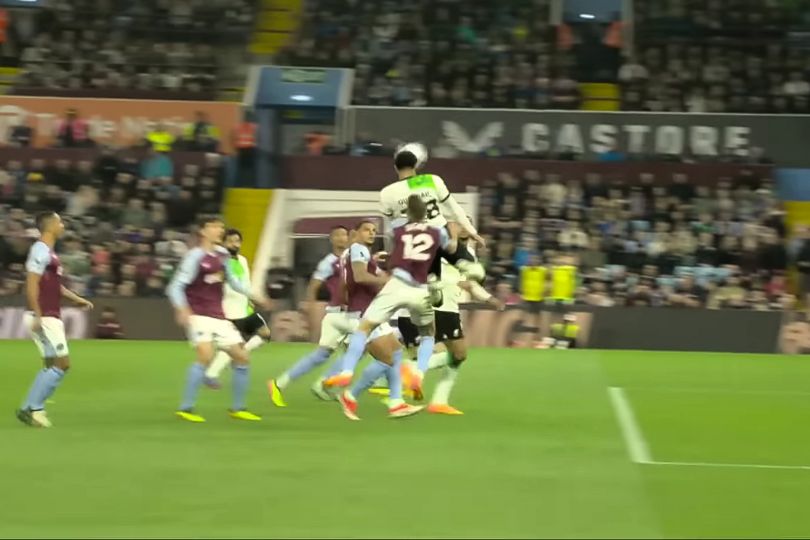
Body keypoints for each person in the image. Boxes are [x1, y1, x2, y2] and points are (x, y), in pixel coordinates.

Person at [325, 195, 456, 399]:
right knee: (428, 334)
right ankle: (418, 374)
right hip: (420, 288)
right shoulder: (436, 231)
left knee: (365, 329)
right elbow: (450, 249)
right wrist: (452, 233)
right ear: (427, 214)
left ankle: (347, 372)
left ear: (408, 214)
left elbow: (396, 257)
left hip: (396, 285)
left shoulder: (397, 230)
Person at [166, 216, 271, 423]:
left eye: (221, 227)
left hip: (218, 316)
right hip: (198, 314)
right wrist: (182, 308)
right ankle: (186, 408)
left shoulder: (223, 256)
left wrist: (254, 295)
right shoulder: (195, 256)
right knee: (205, 356)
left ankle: (238, 408)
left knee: (242, 357)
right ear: (203, 231)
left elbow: (234, 282)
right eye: (214, 227)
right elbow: (175, 286)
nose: (219, 230)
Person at [330, 220, 424, 420]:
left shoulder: (354, 252)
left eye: (374, 230)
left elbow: (350, 280)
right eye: (367, 230)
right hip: (365, 312)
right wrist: (387, 280)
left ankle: (396, 403)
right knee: (387, 359)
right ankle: (350, 395)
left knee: (397, 352)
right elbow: (361, 276)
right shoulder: (358, 248)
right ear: (356, 233)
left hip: (368, 310)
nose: (372, 233)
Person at [16, 211, 94, 428]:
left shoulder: (49, 253)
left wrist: (76, 298)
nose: (63, 225)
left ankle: (28, 407)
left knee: (50, 364)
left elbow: (53, 285)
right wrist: (38, 314)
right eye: (59, 222)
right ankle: (35, 409)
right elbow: (31, 283)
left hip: (48, 314)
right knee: (63, 363)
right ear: (50, 226)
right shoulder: (40, 251)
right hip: (45, 315)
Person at [267, 225, 351, 405]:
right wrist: (310, 308)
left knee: (323, 354)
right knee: (359, 348)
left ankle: (279, 383)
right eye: (338, 235)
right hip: (340, 313)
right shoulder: (328, 262)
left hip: (345, 313)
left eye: (345, 235)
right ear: (332, 240)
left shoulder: (352, 258)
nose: (342, 238)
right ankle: (324, 383)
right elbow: (314, 286)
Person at [423, 231, 503, 414]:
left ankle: (439, 401)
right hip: (439, 305)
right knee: (458, 353)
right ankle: (412, 368)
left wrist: (489, 298)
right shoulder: (441, 248)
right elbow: (431, 276)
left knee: (458, 355)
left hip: (450, 306)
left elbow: (470, 283)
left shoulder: (468, 256)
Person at [203, 229, 273, 386]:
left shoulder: (242, 260)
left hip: (244, 308)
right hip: (229, 310)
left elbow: (245, 283)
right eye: (230, 241)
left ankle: (238, 357)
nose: (234, 244)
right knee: (234, 345)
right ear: (224, 243)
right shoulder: (221, 263)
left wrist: (249, 299)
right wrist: (257, 297)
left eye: (237, 241)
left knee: (265, 334)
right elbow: (232, 285)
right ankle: (211, 374)